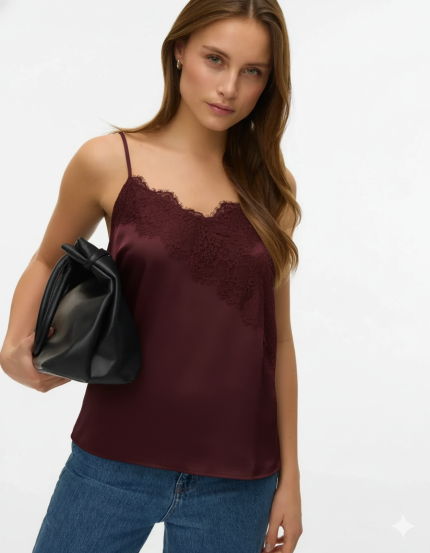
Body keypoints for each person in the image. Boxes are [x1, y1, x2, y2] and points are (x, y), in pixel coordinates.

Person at [0, 0, 303, 552]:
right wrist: (11, 348)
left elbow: (278, 341)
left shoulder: (272, 189)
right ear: (179, 50)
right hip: (111, 461)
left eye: (253, 71)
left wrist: (291, 480)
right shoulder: (107, 161)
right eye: (216, 59)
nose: (229, 87)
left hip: (238, 482)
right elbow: (47, 258)